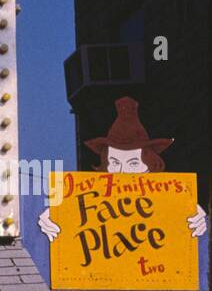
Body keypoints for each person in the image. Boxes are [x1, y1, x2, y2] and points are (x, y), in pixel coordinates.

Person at [39, 96, 207, 240]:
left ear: (150, 167)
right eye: (115, 163)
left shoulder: (172, 200)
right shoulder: (90, 201)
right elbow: (68, 214)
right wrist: (52, 219)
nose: (122, 171)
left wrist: (199, 218)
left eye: (133, 163)